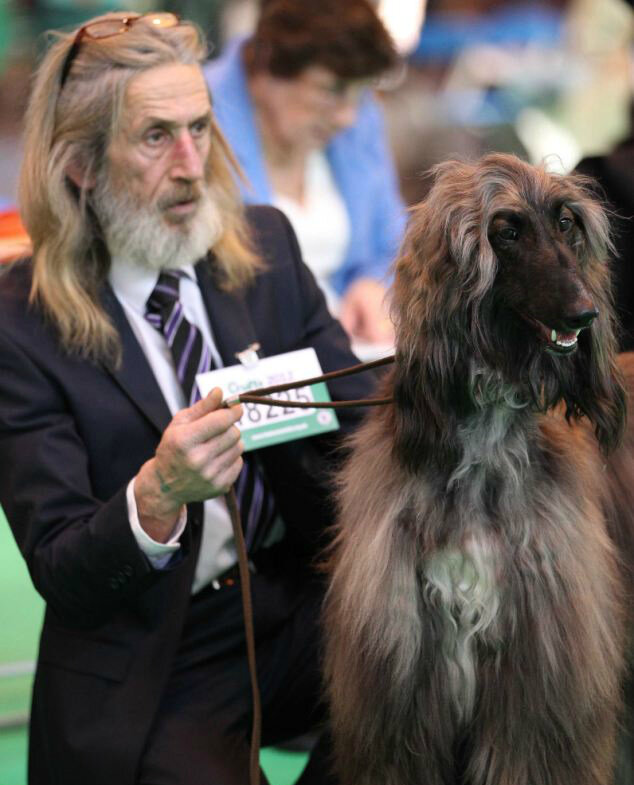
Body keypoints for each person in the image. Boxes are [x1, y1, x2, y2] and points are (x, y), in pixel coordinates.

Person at [0, 12, 376, 785]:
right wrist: (157, 493)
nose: (191, 163)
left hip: (297, 601)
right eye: (155, 136)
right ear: (81, 167)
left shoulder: (265, 245)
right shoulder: (21, 323)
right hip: (160, 652)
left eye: (201, 128)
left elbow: (361, 424)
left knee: (453, 684)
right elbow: (62, 564)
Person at [204, 0, 407, 346]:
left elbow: (395, 240)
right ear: (267, 67)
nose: (347, 116)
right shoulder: (198, 118)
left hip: (356, 357)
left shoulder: (359, 115)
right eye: (332, 90)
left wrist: (375, 284)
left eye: (361, 92)